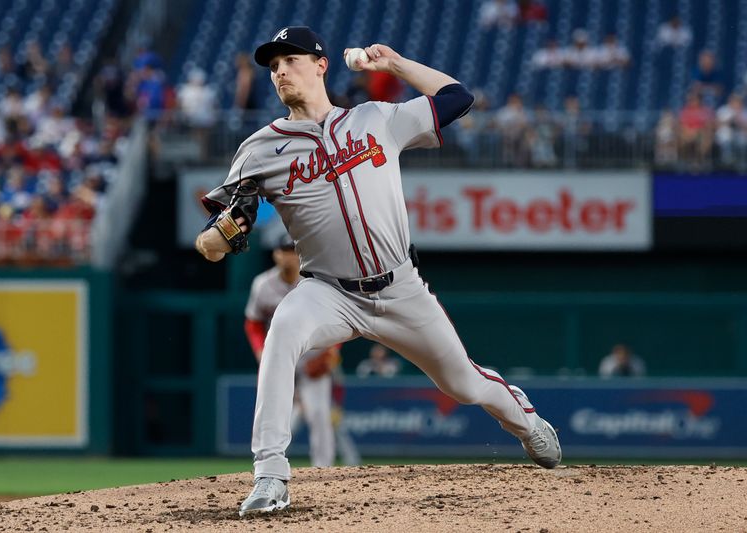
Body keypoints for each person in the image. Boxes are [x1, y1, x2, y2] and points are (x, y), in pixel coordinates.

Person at [195, 26, 561, 516]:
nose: (280, 70)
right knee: (282, 330)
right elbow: (211, 239)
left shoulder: (376, 120)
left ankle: (525, 420)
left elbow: (457, 97)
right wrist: (216, 238)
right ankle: (270, 475)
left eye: (291, 59)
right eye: (273, 65)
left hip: (400, 288)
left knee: (463, 385)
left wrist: (393, 65)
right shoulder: (259, 149)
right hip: (327, 291)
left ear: (321, 64)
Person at [244, 236, 339, 470]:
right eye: (284, 250)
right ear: (276, 254)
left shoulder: (316, 281)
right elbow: (253, 323)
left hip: (313, 355)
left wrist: (332, 352)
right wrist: (259, 350)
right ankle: (267, 467)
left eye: (292, 251)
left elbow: (338, 316)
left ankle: (323, 470)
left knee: (319, 415)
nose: (288, 255)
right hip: (280, 357)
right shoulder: (262, 284)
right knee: (275, 413)